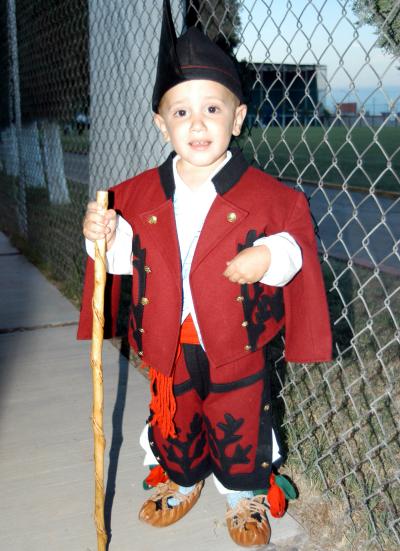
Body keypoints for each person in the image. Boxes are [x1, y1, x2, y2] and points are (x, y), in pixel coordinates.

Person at [78, 1, 331, 547]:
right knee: (175, 414)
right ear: (160, 122)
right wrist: (102, 235)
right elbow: (123, 260)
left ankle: (245, 496)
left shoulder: (268, 195)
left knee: (240, 415)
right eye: (182, 112)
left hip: (237, 342)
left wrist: (268, 257)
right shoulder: (138, 195)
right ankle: (179, 474)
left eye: (213, 109)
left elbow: (293, 246)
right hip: (169, 339)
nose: (198, 124)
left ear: (237, 118)